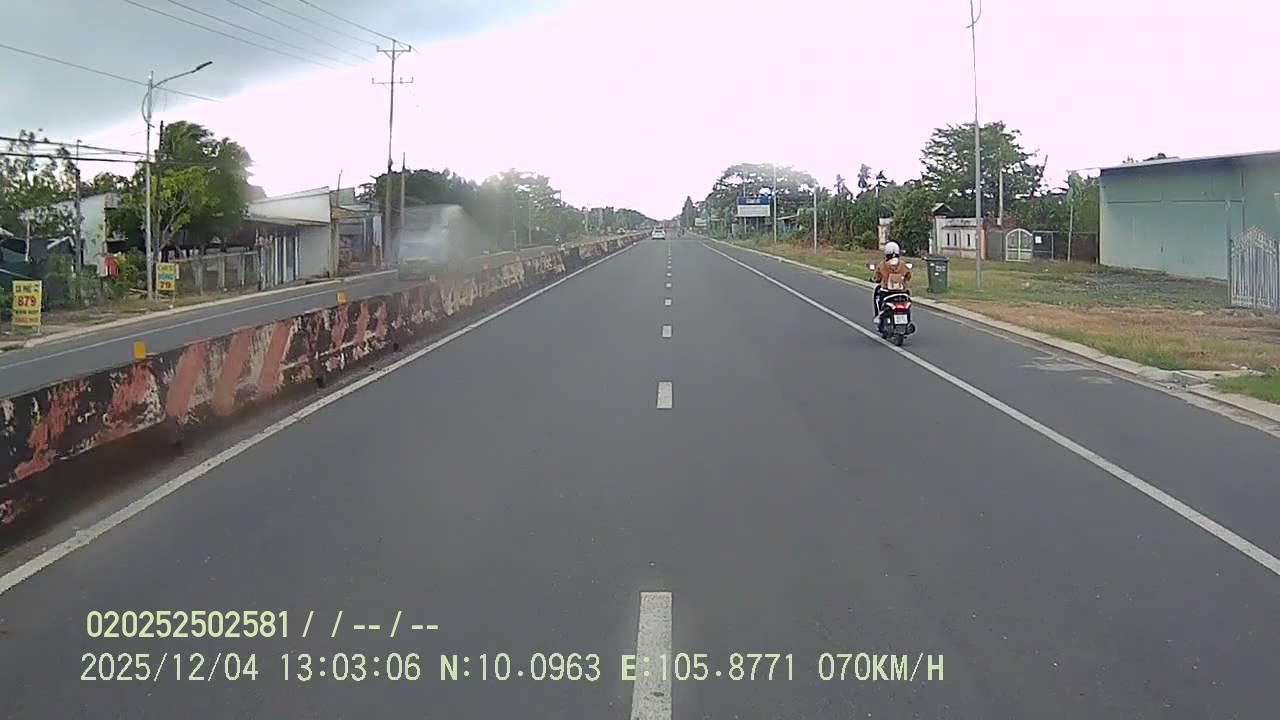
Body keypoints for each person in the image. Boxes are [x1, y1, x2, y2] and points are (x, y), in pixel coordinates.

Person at [872, 241, 912, 321]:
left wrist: (875, 279)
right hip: (902, 292)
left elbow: (877, 277)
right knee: (908, 300)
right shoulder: (902, 264)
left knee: (878, 300)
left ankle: (878, 316)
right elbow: (909, 276)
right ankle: (908, 319)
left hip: (887, 291)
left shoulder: (883, 265)